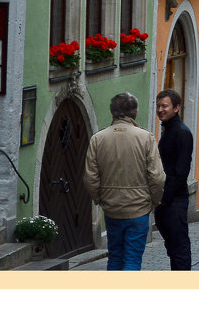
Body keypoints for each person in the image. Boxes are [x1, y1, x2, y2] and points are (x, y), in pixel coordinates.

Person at [83, 92, 165, 271]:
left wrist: (100, 198)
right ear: (134, 113)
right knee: (132, 259)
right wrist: (154, 200)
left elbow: (90, 177)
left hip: (111, 207)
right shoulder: (145, 137)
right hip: (139, 206)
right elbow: (157, 176)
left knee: (115, 257)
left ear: (112, 112)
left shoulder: (98, 139)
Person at [154, 89, 193, 271]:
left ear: (176, 108)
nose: (160, 110)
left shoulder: (181, 133)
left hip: (174, 200)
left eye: (165, 106)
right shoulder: (170, 130)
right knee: (173, 247)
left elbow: (180, 171)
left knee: (179, 248)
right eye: (159, 106)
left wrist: (165, 198)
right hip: (167, 200)